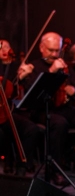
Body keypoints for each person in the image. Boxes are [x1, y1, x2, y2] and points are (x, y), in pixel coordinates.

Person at [17, 32, 75, 187]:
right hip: (42, 110)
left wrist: (73, 89)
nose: (54, 54)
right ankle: (55, 171)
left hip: (64, 107)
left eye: (57, 50)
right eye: (50, 50)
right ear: (41, 48)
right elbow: (33, 93)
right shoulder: (34, 67)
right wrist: (51, 72)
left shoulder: (64, 66)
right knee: (59, 123)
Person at [0, 39, 41, 176]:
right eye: (0, 47)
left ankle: (22, 166)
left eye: (6, 46)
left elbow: (22, 92)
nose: (4, 49)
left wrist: (24, 77)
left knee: (31, 129)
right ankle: (8, 162)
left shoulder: (16, 67)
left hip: (9, 112)